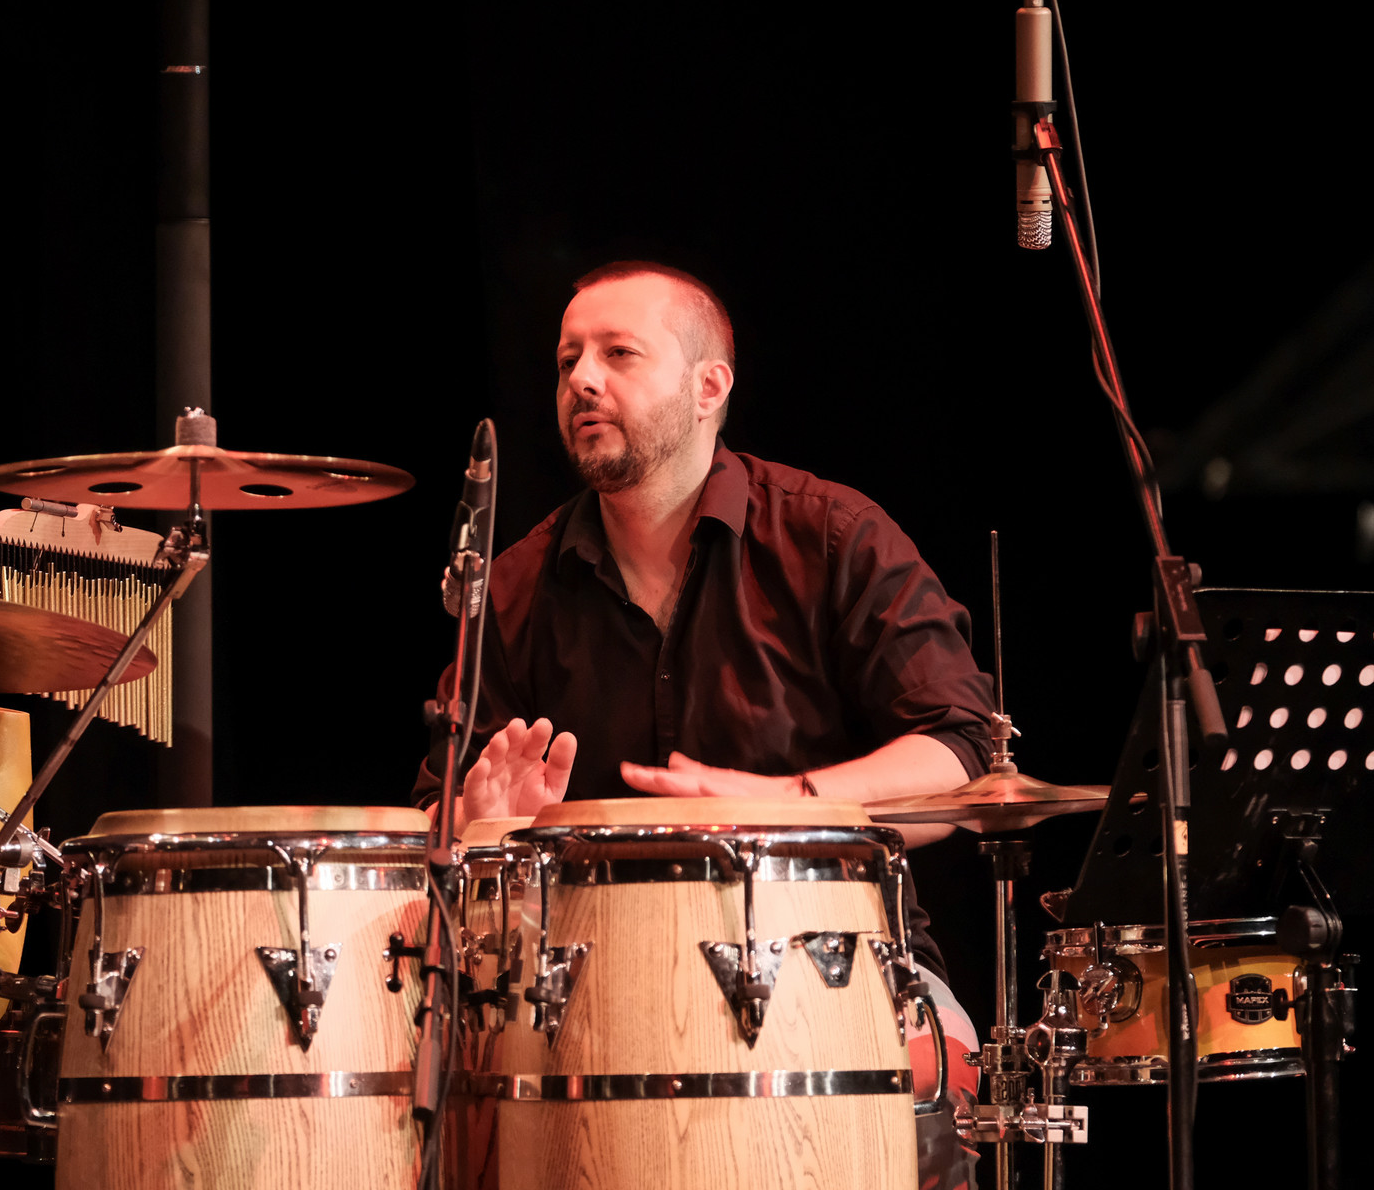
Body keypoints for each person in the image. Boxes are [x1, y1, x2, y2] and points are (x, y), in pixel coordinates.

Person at [412, 260, 990, 1188]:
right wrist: (480, 828)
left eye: (618, 354)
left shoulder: (832, 537)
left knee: (921, 1093)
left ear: (709, 386)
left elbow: (964, 754)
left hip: (842, 969)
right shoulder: (515, 586)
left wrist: (787, 804)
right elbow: (433, 833)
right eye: (567, 360)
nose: (581, 380)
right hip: (587, 1000)